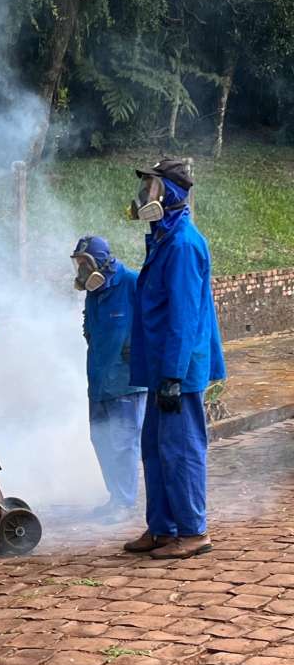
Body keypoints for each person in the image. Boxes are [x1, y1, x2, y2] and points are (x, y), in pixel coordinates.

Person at [124, 158, 226, 559]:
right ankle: (163, 527)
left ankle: (192, 530)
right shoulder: (165, 238)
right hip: (162, 365)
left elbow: (183, 318)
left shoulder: (182, 244)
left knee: (181, 448)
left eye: (150, 187)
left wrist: (171, 374)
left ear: (168, 193)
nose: (143, 196)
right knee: (154, 446)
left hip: (177, 370)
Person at [72, 236, 147, 521]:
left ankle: (124, 502)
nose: (81, 270)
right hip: (100, 380)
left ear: (102, 261)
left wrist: (134, 346)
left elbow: (152, 319)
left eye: (85, 263)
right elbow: (88, 327)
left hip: (127, 381)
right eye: (78, 264)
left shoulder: (131, 282)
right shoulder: (94, 292)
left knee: (123, 442)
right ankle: (115, 496)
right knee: (102, 440)